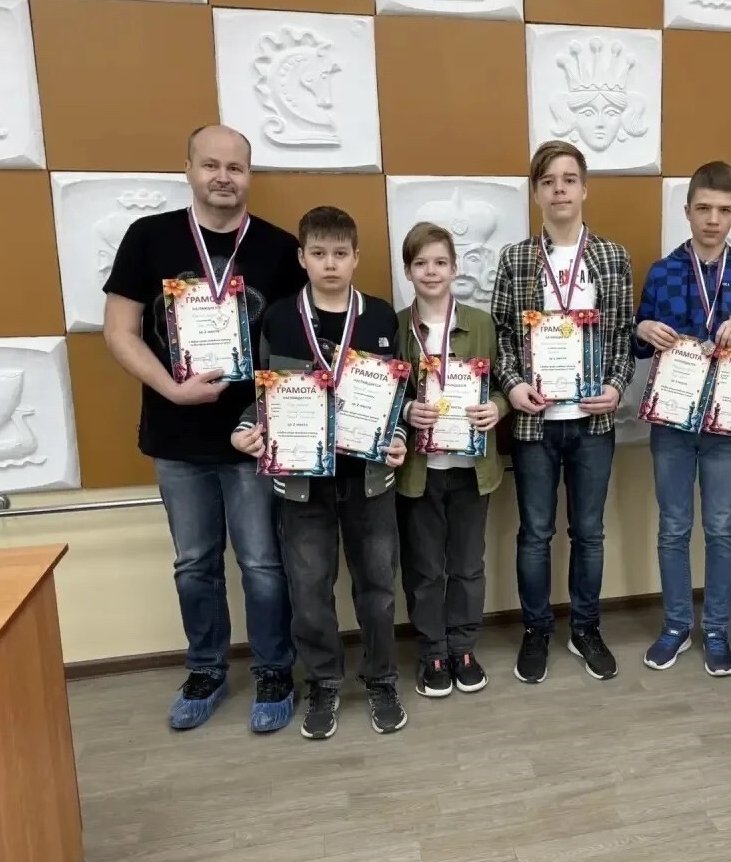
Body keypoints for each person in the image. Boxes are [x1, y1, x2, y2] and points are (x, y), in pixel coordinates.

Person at [102, 124, 305, 733]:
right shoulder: (149, 238)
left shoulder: (279, 248)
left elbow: (299, 347)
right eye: (211, 165)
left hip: (254, 439)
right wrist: (172, 389)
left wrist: (275, 418)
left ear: (249, 176)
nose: (223, 177)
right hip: (175, 434)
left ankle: (274, 670)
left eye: (235, 167)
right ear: (188, 169)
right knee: (194, 563)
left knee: (263, 563)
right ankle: (206, 670)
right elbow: (119, 331)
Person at [230, 205, 410, 741]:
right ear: (301, 258)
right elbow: (263, 394)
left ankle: (381, 678)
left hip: (369, 479)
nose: (330, 263)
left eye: (340, 253)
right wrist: (245, 429)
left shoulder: (380, 317)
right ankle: (324, 681)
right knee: (309, 591)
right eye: (318, 253)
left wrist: (399, 435)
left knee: (377, 588)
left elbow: (400, 396)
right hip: (302, 483)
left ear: (356, 258)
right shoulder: (280, 318)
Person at [490, 139, 636, 684]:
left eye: (569, 179)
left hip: (594, 422)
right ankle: (536, 630)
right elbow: (503, 337)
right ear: (536, 193)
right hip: (535, 423)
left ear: (584, 188)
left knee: (589, 533)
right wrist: (513, 385)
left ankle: (586, 628)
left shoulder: (613, 257)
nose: (559, 190)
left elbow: (622, 335)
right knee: (535, 533)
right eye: (548, 181)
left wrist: (616, 386)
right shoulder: (516, 258)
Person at [634, 161, 731, 677]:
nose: (713, 219)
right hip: (671, 421)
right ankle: (675, 625)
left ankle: (715, 628)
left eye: (724, 210)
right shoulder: (663, 272)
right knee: (673, 527)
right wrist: (643, 327)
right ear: (687, 210)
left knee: (720, 527)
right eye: (704, 208)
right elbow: (638, 339)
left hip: (726, 423)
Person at [395, 221, 507, 699]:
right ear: (407, 271)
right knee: (424, 568)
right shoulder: (395, 326)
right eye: (421, 263)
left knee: (467, 565)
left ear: (455, 268)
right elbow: (383, 392)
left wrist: (496, 408)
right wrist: (406, 410)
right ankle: (432, 651)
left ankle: (463, 647)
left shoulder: (481, 324)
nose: (431, 271)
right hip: (419, 471)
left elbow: (504, 384)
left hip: (471, 470)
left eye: (440, 262)